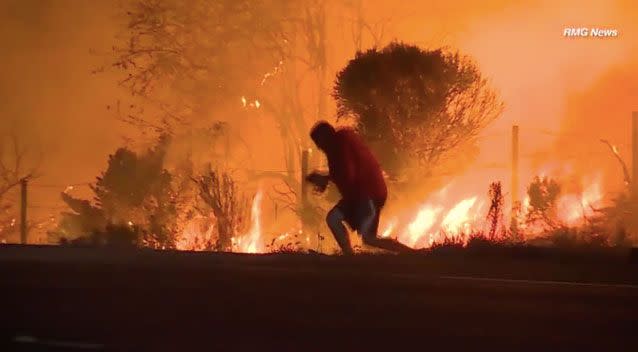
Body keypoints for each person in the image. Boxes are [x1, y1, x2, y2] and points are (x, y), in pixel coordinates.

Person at [305, 121, 414, 255]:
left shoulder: (340, 144)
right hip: (356, 196)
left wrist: (325, 179)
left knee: (368, 238)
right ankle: (349, 256)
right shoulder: (337, 144)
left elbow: (347, 173)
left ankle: (412, 254)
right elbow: (343, 173)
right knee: (333, 218)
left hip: (368, 194)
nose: (318, 147)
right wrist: (326, 180)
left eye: (318, 142)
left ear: (324, 138)